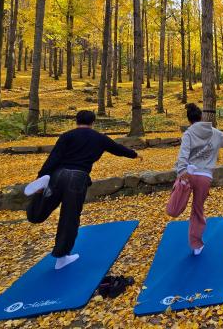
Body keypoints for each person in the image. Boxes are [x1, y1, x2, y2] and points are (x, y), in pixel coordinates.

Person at [24, 110, 142, 270]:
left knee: (38, 213)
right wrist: (134, 155)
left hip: (57, 175)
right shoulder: (99, 138)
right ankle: (61, 257)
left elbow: (54, 157)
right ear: (93, 122)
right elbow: (117, 149)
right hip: (77, 178)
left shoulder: (67, 136)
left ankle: (39, 195)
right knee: (69, 216)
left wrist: (41, 175)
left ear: (76, 121)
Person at [175, 103, 223, 255]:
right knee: (197, 209)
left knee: (178, 196)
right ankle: (196, 245)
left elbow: (183, 154)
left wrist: (182, 169)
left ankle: (176, 203)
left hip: (188, 174)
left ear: (189, 120)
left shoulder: (188, 134)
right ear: (201, 117)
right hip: (205, 177)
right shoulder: (214, 132)